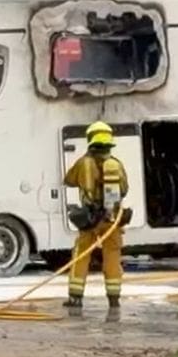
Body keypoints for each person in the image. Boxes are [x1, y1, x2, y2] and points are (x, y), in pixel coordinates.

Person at [63, 121, 130, 322]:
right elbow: (125, 189)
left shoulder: (83, 163)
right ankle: (114, 299)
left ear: (90, 140)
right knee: (112, 257)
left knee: (81, 256)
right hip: (112, 221)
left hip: (90, 220)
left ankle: (75, 298)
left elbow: (69, 180)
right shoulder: (116, 164)